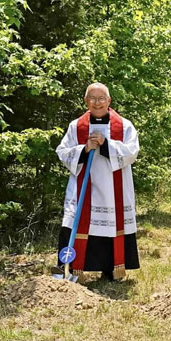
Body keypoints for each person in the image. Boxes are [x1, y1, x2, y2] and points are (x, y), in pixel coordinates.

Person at [56, 82, 140, 280]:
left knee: (111, 224)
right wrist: (83, 149)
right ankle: (74, 269)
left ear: (109, 101)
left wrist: (105, 144)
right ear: (86, 101)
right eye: (92, 98)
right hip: (83, 190)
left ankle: (111, 269)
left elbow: (132, 152)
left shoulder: (124, 125)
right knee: (76, 221)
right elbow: (62, 152)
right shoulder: (76, 127)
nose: (97, 103)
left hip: (114, 191)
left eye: (101, 98)